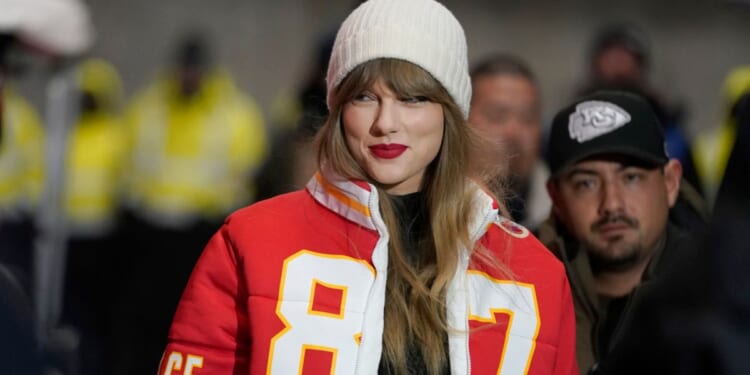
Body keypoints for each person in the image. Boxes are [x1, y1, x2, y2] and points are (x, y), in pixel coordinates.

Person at [158, 0, 578, 374]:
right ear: (337, 111)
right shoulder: (249, 241)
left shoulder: (534, 272)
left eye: (413, 99)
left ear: (450, 113)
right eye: (363, 97)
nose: (385, 123)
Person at [111, 32, 270, 375]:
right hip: (148, 232)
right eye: (184, 69)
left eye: (195, 70)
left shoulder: (236, 114)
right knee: (142, 323)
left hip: (204, 233)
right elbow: (125, 164)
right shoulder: (148, 106)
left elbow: (247, 176)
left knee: (195, 321)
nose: (189, 77)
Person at [538, 90, 706, 374]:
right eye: (586, 184)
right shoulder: (519, 294)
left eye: (631, 178)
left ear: (671, 183)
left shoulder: (722, 296)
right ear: (556, 199)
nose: (611, 204)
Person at [577, 23, 702, 194]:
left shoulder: (670, 133)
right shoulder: (571, 127)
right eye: (611, 58)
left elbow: (693, 201)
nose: (619, 68)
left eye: (626, 58)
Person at [468, 53, 551, 231]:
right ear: (461, 124)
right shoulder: (432, 214)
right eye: (497, 116)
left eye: (527, 117)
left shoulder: (562, 217)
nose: (514, 132)